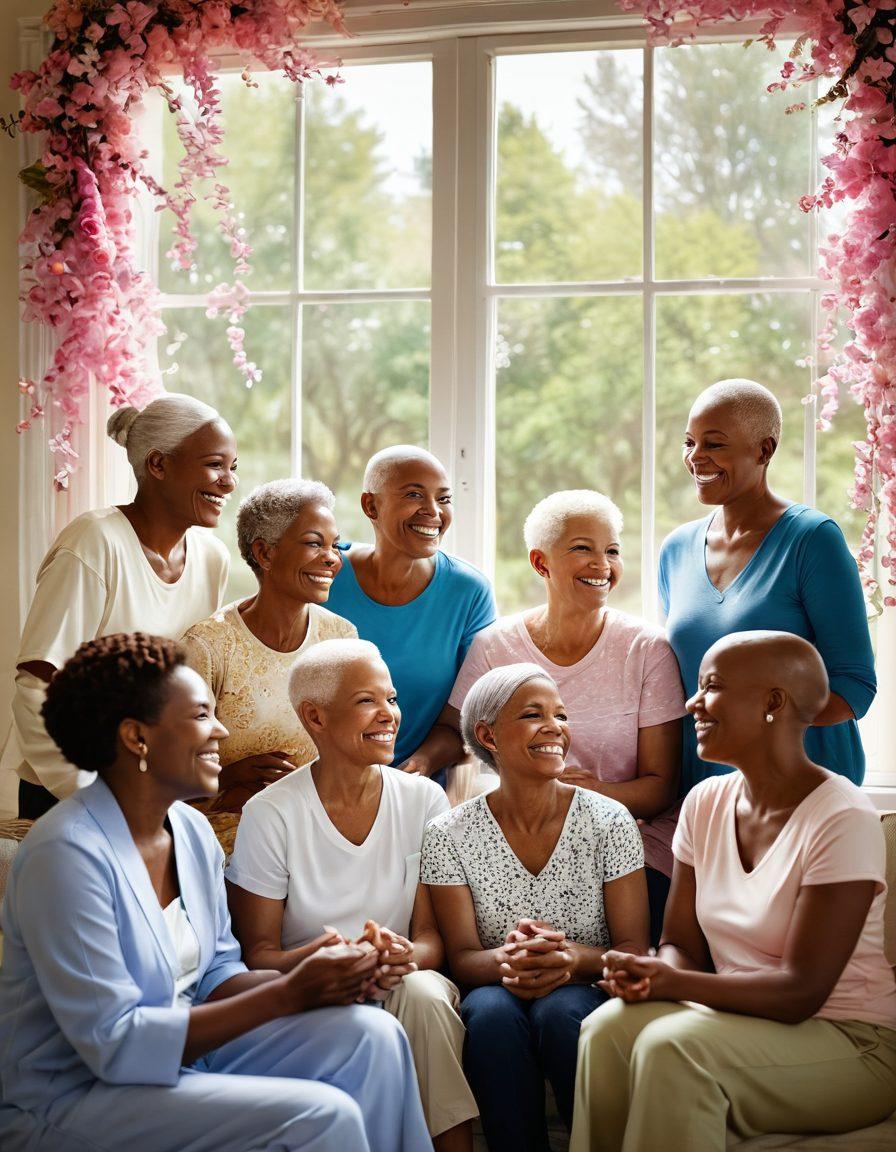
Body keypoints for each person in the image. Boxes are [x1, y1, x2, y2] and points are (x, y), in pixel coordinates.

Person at [0, 633, 432, 1152]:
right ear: (137, 738)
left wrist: (314, 964)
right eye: (201, 716)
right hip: (75, 1091)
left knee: (373, 1036)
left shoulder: (191, 831)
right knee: (321, 1115)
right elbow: (114, 1046)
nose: (221, 731)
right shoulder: (66, 856)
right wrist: (288, 992)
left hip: (188, 1052)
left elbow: (218, 974)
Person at [571, 631, 896, 1152]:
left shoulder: (842, 816)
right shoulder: (705, 802)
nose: (691, 703)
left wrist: (672, 984)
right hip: (737, 1017)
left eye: (712, 686)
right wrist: (656, 972)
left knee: (672, 1049)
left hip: (849, 1040)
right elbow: (682, 941)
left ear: (774, 702)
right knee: (608, 1029)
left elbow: (800, 993)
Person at [226, 638, 478, 1152]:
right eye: (368, 701)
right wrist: (329, 962)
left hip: (402, 981)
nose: (389, 715)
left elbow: (432, 939)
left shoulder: (424, 799)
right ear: (315, 718)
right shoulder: (270, 812)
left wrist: (404, 956)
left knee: (426, 997)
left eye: (391, 699)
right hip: (311, 986)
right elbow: (259, 954)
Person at [422, 663, 649, 1152]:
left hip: (586, 984)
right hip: (494, 987)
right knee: (488, 1015)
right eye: (533, 714)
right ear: (488, 735)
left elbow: (633, 947)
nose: (555, 728)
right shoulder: (449, 833)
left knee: (562, 1010)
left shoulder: (609, 820)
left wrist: (571, 960)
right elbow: (461, 956)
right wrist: (509, 961)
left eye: (561, 715)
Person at [450, 490, 685, 942]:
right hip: (515, 843)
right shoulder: (493, 647)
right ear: (541, 564)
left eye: (612, 550)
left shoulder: (647, 649)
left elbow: (660, 788)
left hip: (628, 846)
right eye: (582, 548)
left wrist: (589, 795)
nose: (602, 564)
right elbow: (465, 752)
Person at [7, 393, 237, 819]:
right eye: (214, 464)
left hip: (156, 789)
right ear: (158, 464)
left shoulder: (212, 557)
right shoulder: (94, 543)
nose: (228, 481)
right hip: (72, 793)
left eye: (232, 467)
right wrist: (92, 795)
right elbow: (36, 687)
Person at [658, 377, 876, 801]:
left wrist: (757, 736)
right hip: (706, 793)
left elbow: (854, 686)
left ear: (764, 450)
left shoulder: (813, 540)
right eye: (690, 442)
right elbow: (678, 685)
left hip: (803, 792)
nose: (696, 457)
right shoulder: (676, 549)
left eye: (714, 444)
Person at [182, 479, 356, 813]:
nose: (332, 559)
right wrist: (227, 779)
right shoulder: (207, 647)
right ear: (264, 553)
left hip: (317, 829)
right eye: (314, 543)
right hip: (226, 842)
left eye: (335, 546)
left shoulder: (341, 638)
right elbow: (166, 780)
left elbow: (352, 751)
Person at [325, 444, 496, 780]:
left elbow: (466, 720)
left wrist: (418, 767)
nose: (433, 511)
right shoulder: (325, 571)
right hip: (322, 782)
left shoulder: (468, 591)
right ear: (370, 505)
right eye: (414, 495)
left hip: (418, 791)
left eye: (444, 499)